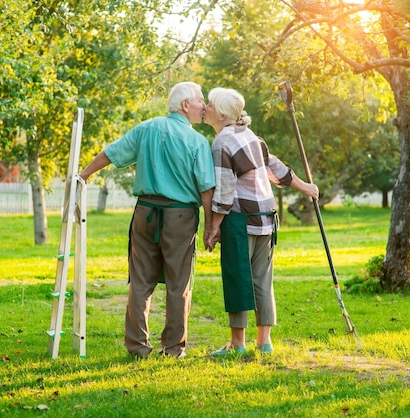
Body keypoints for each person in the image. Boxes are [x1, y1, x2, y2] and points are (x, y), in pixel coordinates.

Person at [78, 82, 215, 359]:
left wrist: (84, 174)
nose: (204, 106)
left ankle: (138, 347)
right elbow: (206, 189)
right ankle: (174, 348)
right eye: (201, 101)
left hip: (145, 213)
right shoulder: (197, 142)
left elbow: (111, 153)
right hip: (180, 216)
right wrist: (211, 227)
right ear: (185, 104)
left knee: (140, 281)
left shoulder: (146, 128)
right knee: (179, 285)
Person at [203, 87, 319, 357]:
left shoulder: (222, 142)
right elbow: (275, 167)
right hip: (266, 218)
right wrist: (306, 187)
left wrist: (214, 226)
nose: (205, 107)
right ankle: (264, 343)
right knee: (262, 280)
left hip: (240, 219)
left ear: (221, 114)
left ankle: (238, 345)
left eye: (209, 104)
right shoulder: (251, 136)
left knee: (237, 278)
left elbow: (225, 190)